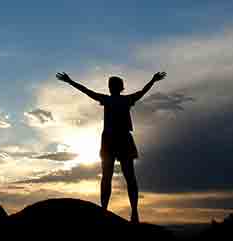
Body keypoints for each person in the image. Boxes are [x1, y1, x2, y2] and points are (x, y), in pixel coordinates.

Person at [55, 71, 166, 223]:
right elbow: (87, 91)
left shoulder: (120, 100)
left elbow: (142, 92)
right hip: (111, 139)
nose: (110, 87)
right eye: (110, 85)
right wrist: (70, 81)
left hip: (119, 139)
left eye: (113, 85)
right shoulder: (112, 99)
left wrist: (153, 80)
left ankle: (133, 212)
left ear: (119, 87)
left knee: (127, 177)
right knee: (110, 177)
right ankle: (108, 210)